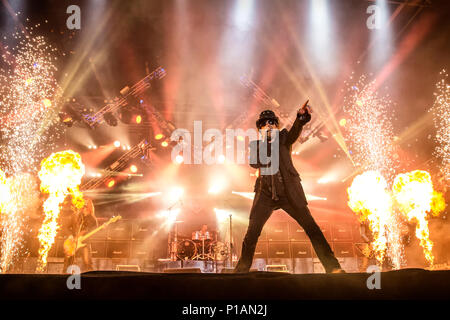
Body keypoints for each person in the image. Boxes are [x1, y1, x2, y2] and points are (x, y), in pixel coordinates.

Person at [234, 102, 344, 273]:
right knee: (251, 234)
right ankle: (241, 270)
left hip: (289, 193)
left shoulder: (284, 138)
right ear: (259, 128)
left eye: (271, 122)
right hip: (265, 194)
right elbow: (255, 162)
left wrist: (301, 117)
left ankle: (333, 267)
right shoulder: (256, 145)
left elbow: (295, 130)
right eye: (264, 123)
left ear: (276, 125)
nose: (268, 125)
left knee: (312, 228)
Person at [62, 198, 98, 273]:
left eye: (87, 205)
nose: (85, 207)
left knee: (87, 262)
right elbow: (65, 227)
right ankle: (64, 277)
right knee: (68, 262)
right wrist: (70, 235)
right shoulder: (75, 216)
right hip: (73, 242)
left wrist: (85, 233)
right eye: (84, 205)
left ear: (90, 206)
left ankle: (90, 279)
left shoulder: (92, 219)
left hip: (85, 242)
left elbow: (94, 231)